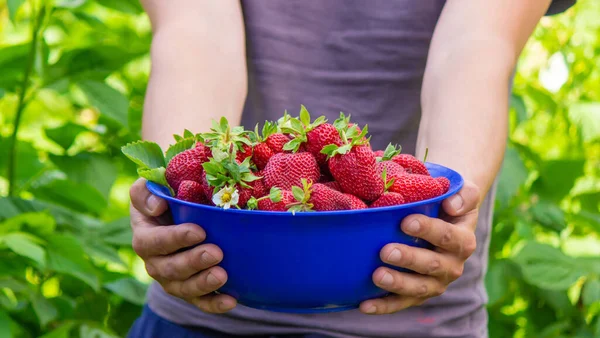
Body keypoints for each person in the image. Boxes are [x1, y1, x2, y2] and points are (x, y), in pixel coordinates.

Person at [126, 1, 575, 337]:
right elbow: (196, 31)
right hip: (205, 310)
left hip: (420, 316)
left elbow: (478, 42)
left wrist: (447, 197)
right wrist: (178, 194)